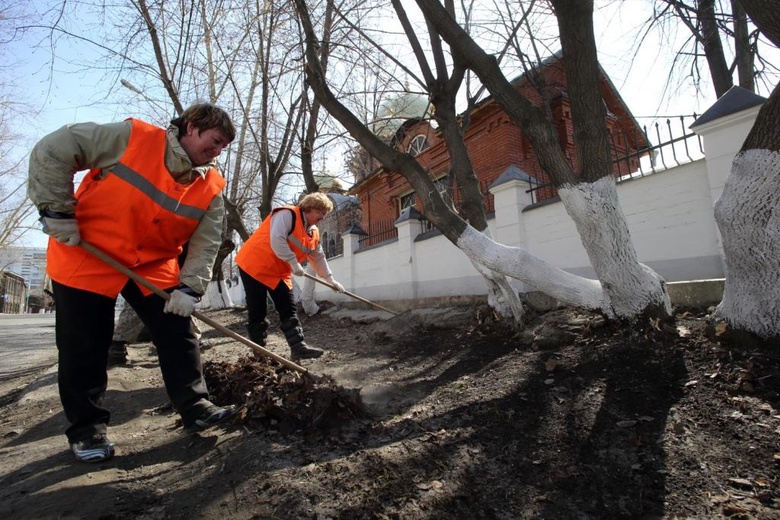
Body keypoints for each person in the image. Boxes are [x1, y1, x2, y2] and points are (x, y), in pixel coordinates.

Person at [28, 103, 239, 463]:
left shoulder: (211, 185)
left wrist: (190, 288)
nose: (217, 152)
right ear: (190, 127)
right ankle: (87, 431)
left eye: (223, 147)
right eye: (215, 141)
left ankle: (195, 406)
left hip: (151, 263)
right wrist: (55, 209)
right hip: (89, 251)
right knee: (84, 345)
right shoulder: (132, 138)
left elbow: (207, 241)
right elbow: (55, 147)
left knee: (178, 332)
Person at [235, 193, 345, 361]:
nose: (323, 217)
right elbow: (277, 239)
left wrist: (331, 280)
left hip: (279, 272)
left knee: (288, 308)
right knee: (257, 310)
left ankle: (298, 348)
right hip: (255, 265)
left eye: (325, 214)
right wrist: (294, 263)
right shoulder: (287, 214)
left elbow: (318, 258)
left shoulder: (313, 232)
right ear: (310, 208)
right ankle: (260, 354)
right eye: (321, 212)